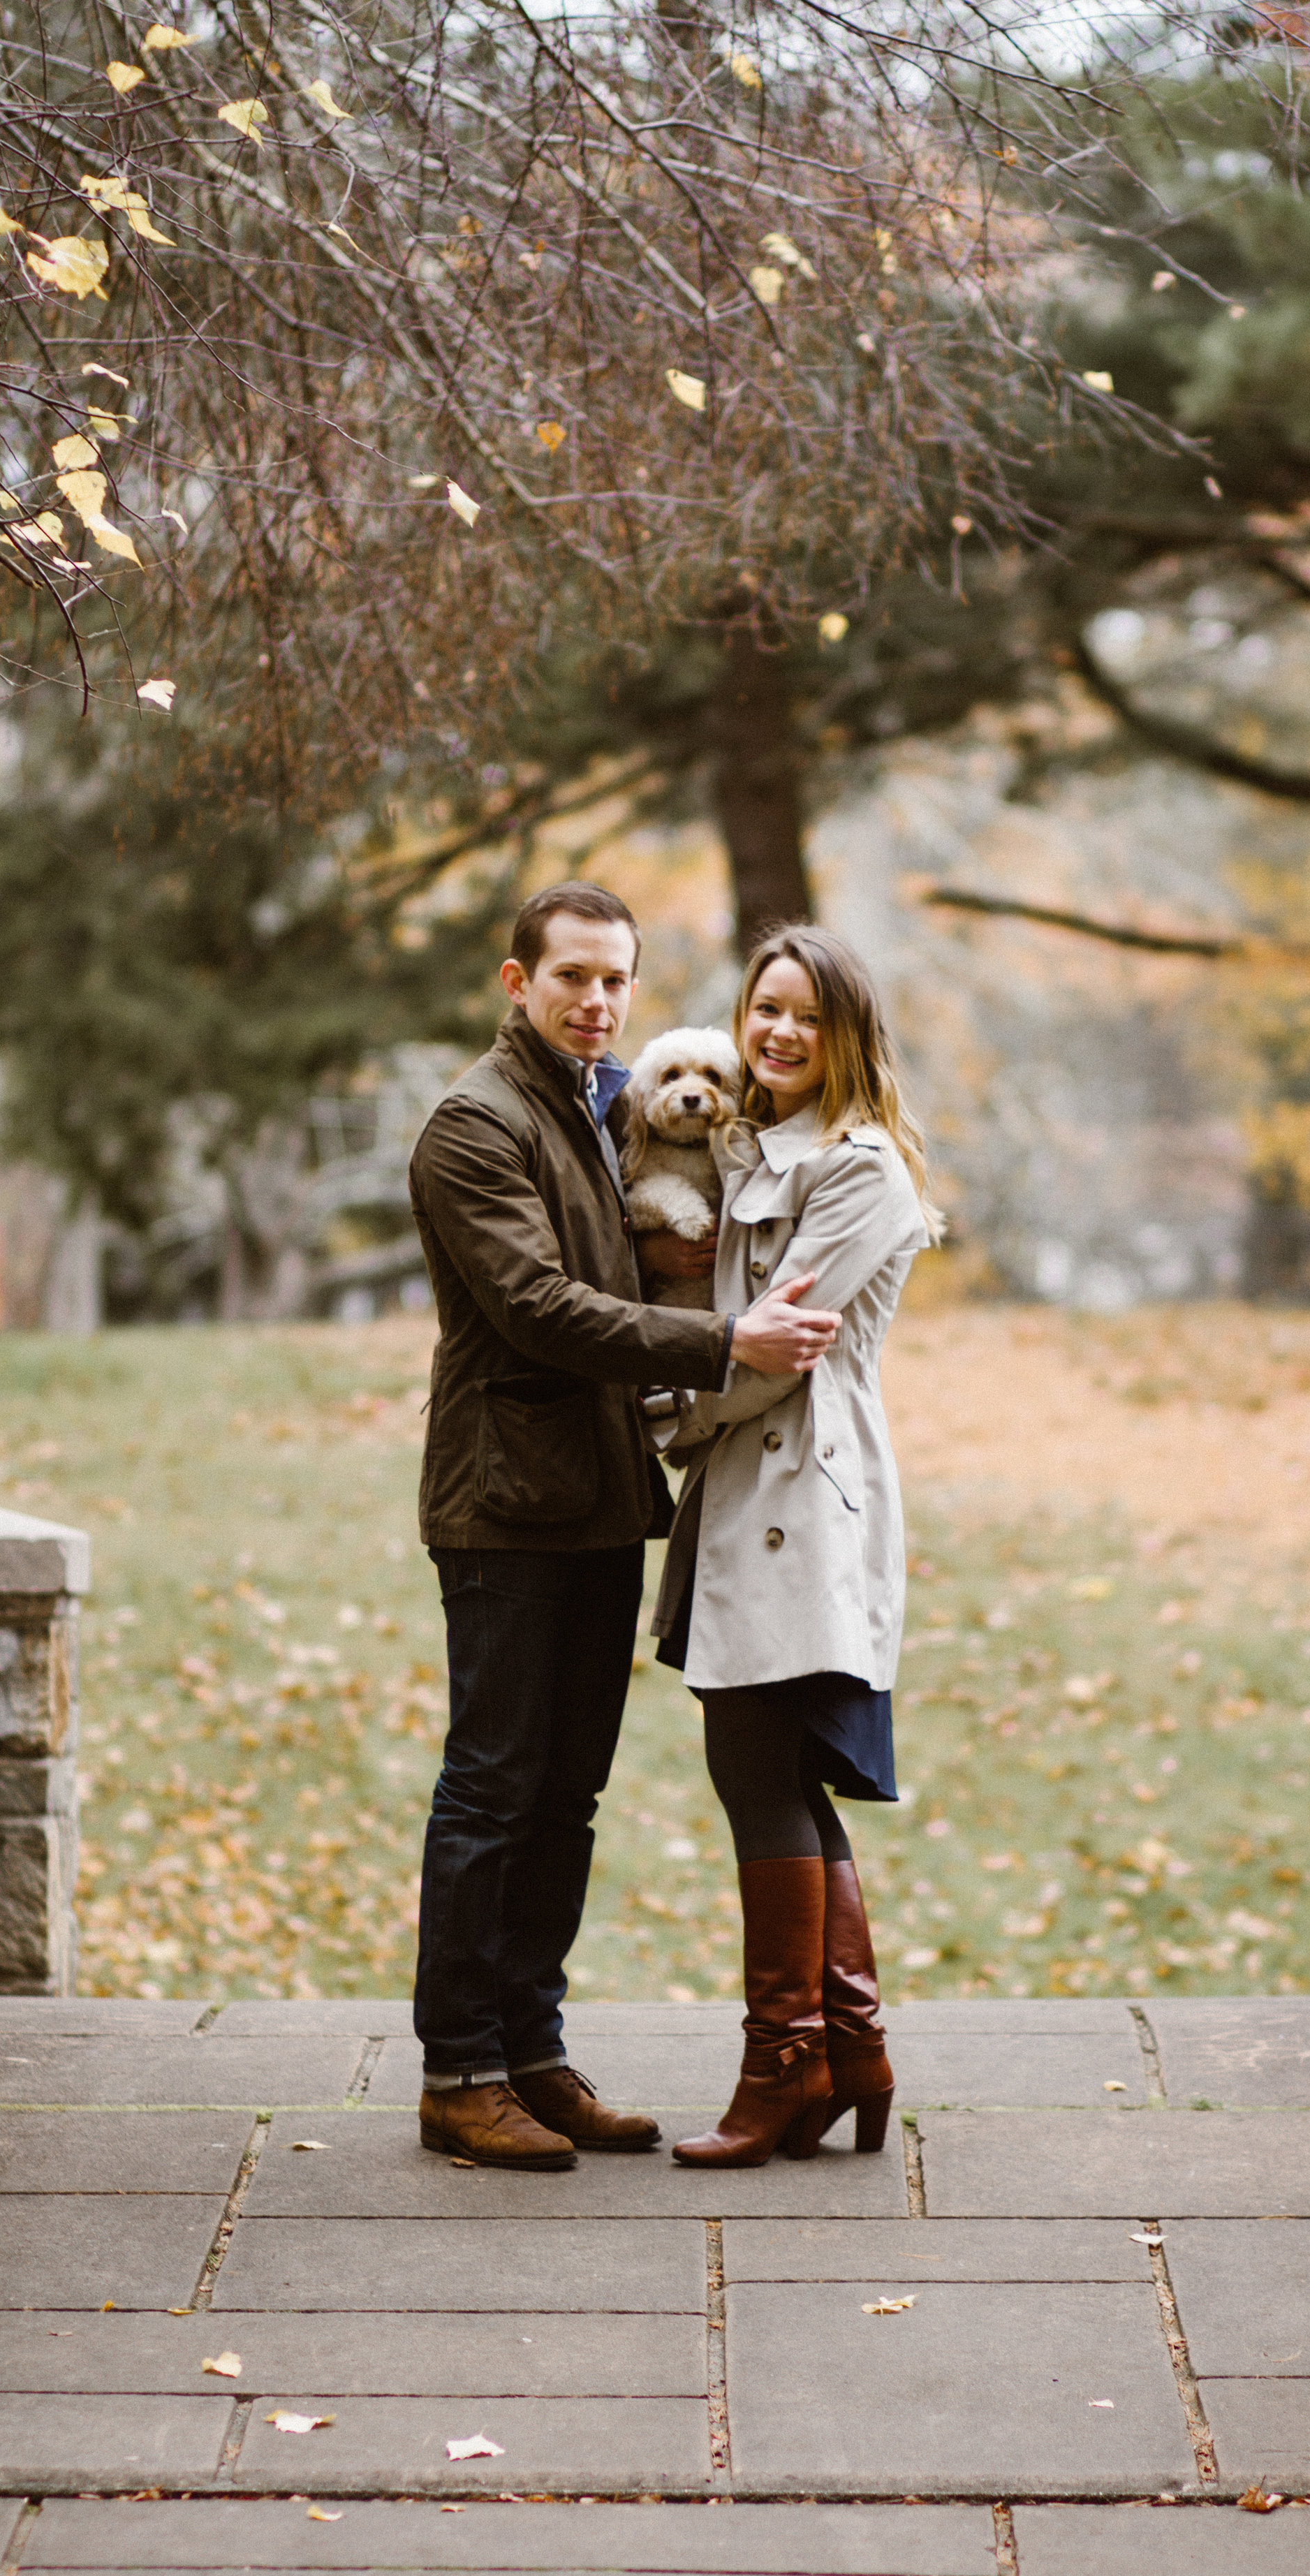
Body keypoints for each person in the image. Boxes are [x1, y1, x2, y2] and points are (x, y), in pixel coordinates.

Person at [405, 881, 841, 2172]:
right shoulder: (475, 1125)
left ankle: (532, 2052)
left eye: (615, 982)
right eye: (571, 978)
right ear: (515, 982)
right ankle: (458, 2071)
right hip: (504, 1504)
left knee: (567, 1796)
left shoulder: (600, 1113)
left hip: (597, 1499)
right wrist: (723, 1343)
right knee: (494, 1786)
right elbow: (539, 1305)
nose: (595, 1001)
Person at [647, 925, 936, 2170]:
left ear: (847, 1034)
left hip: (801, 1493)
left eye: (805, 1017)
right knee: (768, 1771)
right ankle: (843, 2049)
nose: (776, 1033)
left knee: (762, 1767)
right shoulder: (748, 1147)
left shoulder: (860, 1167)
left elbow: (776, 1349)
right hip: (746, 1491)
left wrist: (657, 1411)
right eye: (763, 1009)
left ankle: (786, 2064)